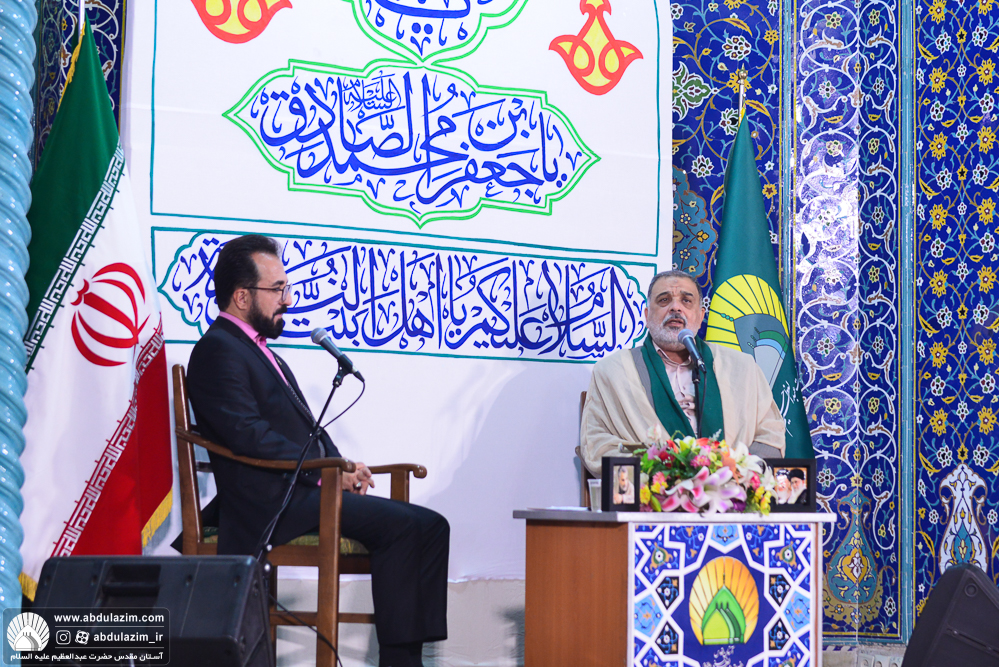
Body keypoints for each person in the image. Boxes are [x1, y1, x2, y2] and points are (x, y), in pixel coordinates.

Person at [186, 235, 448, 667]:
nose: (287, 300)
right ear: (241, 296)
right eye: (277, 290)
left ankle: (407, 657)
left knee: (431, 526)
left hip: (301, 492)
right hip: (267, 504)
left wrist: (342, 467)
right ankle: (401, 662)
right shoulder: (218, 350)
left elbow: (305, 430)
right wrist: (324, 472)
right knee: (405, 527)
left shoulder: (259, 351)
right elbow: (248, 435)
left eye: (286, 288)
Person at [580, 270, 786, 476]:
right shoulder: (613, 371)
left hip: (733, 487)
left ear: (701, 315)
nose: (675, 307)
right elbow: (596, 444)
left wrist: (738, 471)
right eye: (664, 300)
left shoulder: (742, 367)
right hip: (654, 489)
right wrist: (660, 471)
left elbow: (771, 434)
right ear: (646, 315)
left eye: (686, 301)